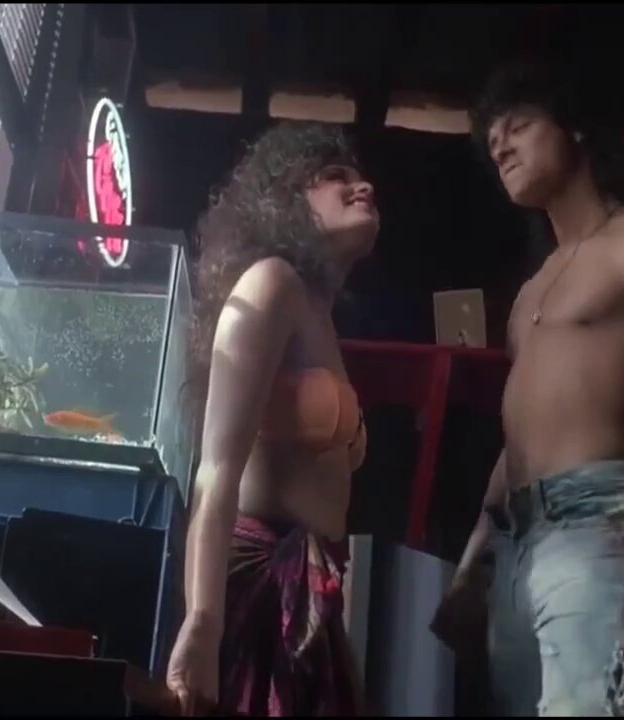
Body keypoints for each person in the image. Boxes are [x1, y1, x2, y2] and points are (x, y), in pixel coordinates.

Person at [434, 61, 624, 716]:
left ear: (574, 128)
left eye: (518, 127)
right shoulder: (529, 294)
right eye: (493, 143)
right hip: (517, 545)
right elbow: (521, 438)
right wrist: (472, 564)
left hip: (600, 522)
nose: (502, 148)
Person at [166, 122, 378, 717]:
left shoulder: (319, 315)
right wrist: (203, 618)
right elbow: (216, 471)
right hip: (256, 589)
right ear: (286, 199)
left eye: (361, 177)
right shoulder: (270, 283)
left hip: (307, 593)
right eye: (335, 177)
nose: (363, 187)